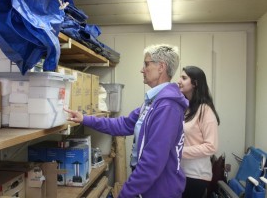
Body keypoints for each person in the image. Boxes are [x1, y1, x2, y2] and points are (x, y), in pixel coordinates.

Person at [65, 44, 188, 198]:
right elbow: (123, 124)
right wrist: (85, 119)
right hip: (149, 187)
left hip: (161, 190)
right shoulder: (153, 102)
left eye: (146, 64)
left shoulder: (167, 106)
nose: (142, 69)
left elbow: (153, 161)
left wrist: (126, 193)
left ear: (161, 67)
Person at [178, 66, 220, 198]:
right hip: (182, 172)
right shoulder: (187, 108)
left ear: (195, 83)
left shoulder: (205, 110)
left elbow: (211, 146)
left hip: (196, 175)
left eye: (184, 78)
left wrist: (180, 151)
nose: (179, 81)